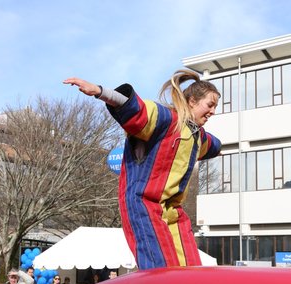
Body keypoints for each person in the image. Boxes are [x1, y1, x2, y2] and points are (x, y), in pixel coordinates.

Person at [64, 70, 221, 270]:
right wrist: (99, 91)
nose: (213, 111)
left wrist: (223, 150)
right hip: (146, 205)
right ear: (192, 102)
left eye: (215, 106)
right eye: (210, 105)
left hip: (172, 209)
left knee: (191, 267)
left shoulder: (199, 136)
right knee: (162, 267)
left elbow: (215, 145)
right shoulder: (166, 120)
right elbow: (134, 109)